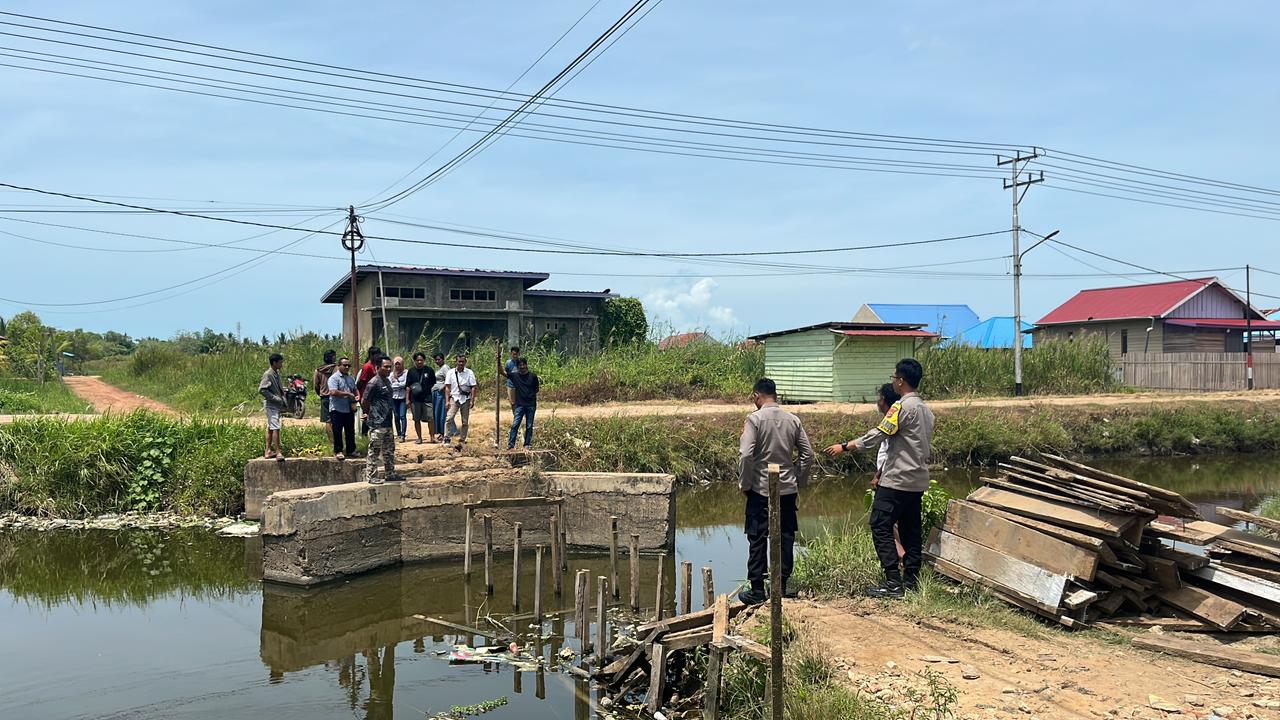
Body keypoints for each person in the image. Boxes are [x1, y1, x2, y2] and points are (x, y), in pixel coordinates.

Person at [824, 358, 935, 599]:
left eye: (894, 377)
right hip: (917, 481)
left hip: (896, 479)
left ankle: (893, 583)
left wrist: (846, 446)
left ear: (901, 381)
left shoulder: (900, 408)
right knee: (911, 530)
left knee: (879, 524)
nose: (893, 381)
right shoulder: (926, 410)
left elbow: (879, 433)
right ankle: (912, 582)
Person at [737, 377, 814, 604]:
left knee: (757, 538)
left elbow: (746, 455)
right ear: (776, 396)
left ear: (756, 396)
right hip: (787, 490)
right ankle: (780, 587)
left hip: (760, 489)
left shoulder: (754, 419)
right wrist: (797, 479)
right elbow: (807, 455)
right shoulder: (793, 419)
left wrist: (745, 483)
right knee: (785, 537)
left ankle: (758, 590)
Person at [872, 382, 906, 562]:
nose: (877, 402)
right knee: (896, 524)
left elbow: (890, 454)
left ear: (884, 400)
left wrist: (878, 476)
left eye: (879, 398)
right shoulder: (897, 416)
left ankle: (898, 561)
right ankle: (904, 560)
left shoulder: (892, 420)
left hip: (889, 481)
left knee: (883, 524)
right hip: (896, 479)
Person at [361, 356, 401, 483]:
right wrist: (368, 413)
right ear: (377, 367)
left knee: (389, 450)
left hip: (388, 422)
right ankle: (371, 476)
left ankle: (390, 473)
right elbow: (365, 400)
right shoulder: (374, 383)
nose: (388, 369)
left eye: (390, 367)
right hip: (377, 423)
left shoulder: (387, 381)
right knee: (374, 451)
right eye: (386, 367)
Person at [502, 356, 540, 450]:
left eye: (523, 364)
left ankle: (527, 444)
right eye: (520, 365)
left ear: (526, 365)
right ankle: (511, 445)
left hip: (531, 405)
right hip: (520, 405)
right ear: (518, 366)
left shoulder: (533, 376)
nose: (522, 367)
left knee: (529, 425)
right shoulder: (515, 376)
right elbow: (502, 372)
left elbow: (536, 389)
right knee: (515, 425)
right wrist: (498, 360)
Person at [327, 356, 358, 459]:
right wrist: (348, 394)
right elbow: (333, 392)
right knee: (337, 431)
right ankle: (338, 450)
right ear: (339, 366)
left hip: (348, 408)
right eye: (344, 365)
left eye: (348, 365)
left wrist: (356, 395)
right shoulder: (334, 378)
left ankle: (351, 450)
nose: (347, 367)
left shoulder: (350, 378)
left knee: (350, 430)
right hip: (337, 409)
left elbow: (354, 389)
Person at [444, 354, 478, 447]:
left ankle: (462, 439)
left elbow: (473, 387)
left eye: (463, 362)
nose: (461, 363)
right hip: (454, 398)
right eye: (459, 361)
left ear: (465, 362)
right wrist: (447, 401)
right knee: (449, 418)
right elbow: (447, 387)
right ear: (456, 362)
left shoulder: (469, 372)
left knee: (465, 421)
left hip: (465, 399)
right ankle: (447, 437)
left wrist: (472, 400)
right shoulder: (450, 372)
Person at [259, 353, 287, 461]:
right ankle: (278, 451)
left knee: (271, 427)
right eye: (280, 362)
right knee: (276, 427)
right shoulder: (268, 374)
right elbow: (262, 389)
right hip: (271, 405)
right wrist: (275, 398)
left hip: (275, 405)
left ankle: (268, 450)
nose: (282, 364)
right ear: (274, 363)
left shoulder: (276, 373)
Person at [406, 352, 433, 445]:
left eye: (421, 360)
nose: (420, 362)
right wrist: (407, 399)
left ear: (424, 360)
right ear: (415, 361)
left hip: (427, 398)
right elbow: (408, 386)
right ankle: (419, 438)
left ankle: (432, 437)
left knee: (430, 418)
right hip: (415, 399)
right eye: (417, 360)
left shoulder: (429, 370)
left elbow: (433, 383)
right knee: (416, 419)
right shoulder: (411, 371)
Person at [313, 349, 337, 446]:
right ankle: (337, 441)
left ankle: (331, 442)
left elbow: (316, 385)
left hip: (324, 397)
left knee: (328, 420)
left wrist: (321, 393)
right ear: (332, 357)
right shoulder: (337, 369)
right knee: (336, 420)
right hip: (336, 396)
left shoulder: (318, 370)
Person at [356, 346, 382, 436]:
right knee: (367, 416)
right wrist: (360, 394)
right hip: (367, 396)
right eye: (377, 355)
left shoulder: (374, 366)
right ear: (371, 355)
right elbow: (361, 381)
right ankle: (364, 435)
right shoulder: (367, 367)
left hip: (373, 396)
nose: (378, 357)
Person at [389, 356, 408, 442]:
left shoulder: (406, 373)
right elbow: (389, 385)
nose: (397, 366)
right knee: (396, 416)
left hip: (402, 397)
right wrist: (397, 384)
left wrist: (396, 382)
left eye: (399, 364)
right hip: (394, 398)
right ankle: (399, 433)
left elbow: (405, 384)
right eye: (396, 364)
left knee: (402, 416)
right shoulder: (391, 374)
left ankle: (403, 435)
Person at [431, 352, 448, 443]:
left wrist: (443, 387)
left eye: (439, 359)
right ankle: (440, 432)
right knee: (436, 413)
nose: (437, 361)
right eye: (436, 360)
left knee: (442, 413)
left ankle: (443, 432)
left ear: (443, 359)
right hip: (436, 393)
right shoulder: (439, 368)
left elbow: (449, 380)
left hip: (441, 393)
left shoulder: (445, 368)